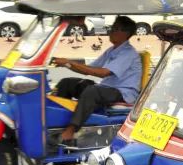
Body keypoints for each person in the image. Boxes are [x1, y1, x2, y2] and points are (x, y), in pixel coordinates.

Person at [51, 15, 141, 145]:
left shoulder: (128, 53)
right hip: (107, 88)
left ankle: (71, 130)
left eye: (116, 29)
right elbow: (90, 68)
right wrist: (66, 63)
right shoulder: (112, 50)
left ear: (125, 33)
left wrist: (69, 62)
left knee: (92, 91)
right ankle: (57, 124)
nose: (111, 31)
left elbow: (103, 73)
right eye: (112, 28)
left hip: (123, 92)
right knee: (67, 83)